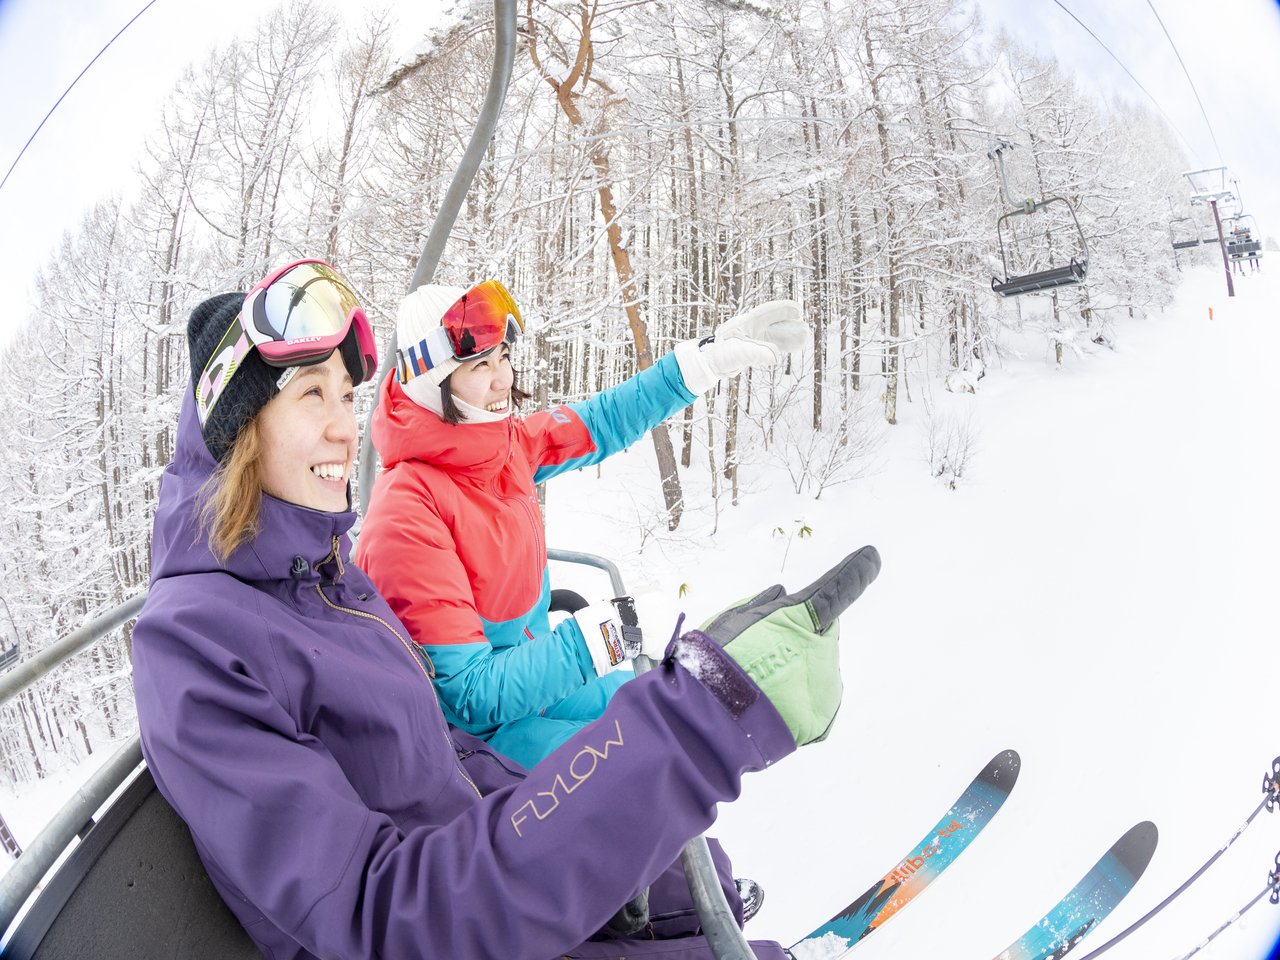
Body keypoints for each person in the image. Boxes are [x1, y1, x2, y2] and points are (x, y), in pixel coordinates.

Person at [131, 259, 879, 960]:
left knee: (674, 840)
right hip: (465, 850)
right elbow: (446, 741)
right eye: (310, 394)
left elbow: (596, 421)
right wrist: (638, 692)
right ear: (238, 429)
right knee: (651, 790)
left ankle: (710, 917)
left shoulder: (333, 555)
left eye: (347, 395)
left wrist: (701, 363)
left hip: (474, 812)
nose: (343, 426)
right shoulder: (233, 619)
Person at [355, 279, 808, 767]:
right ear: (432, 381)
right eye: (479, 365)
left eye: (503, 356)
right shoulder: (406, 512)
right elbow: (469, 694)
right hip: (470, 740)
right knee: (642, 768)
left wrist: (701, 362)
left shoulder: (500, 446)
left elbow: (605, 419)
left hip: (531, 677)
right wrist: (609, 632)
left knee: (650, 697)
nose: (503, 379)